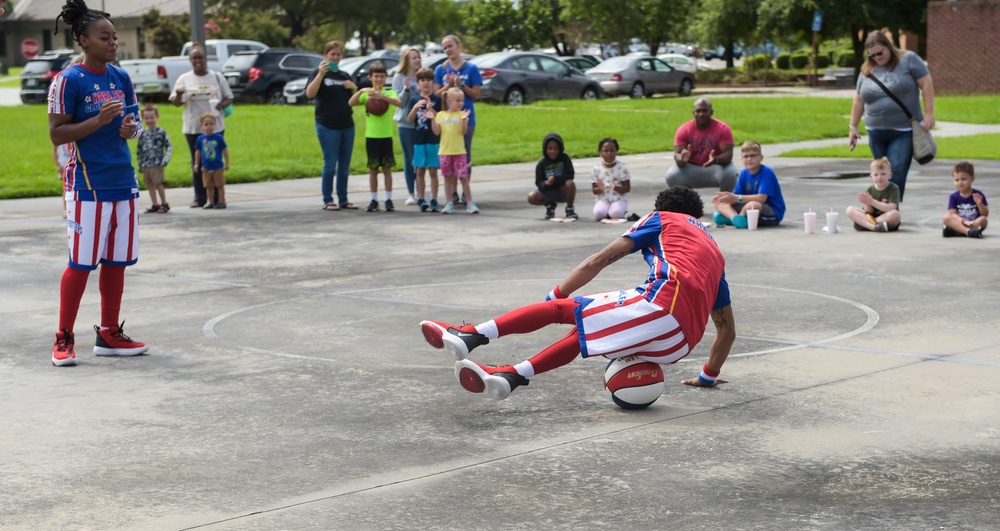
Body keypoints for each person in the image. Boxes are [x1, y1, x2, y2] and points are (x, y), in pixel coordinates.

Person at [419, 186, 735, 400]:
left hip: (662, 306)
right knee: (587, 327)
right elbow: (726, 331)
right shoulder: (715, 252)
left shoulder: (662, 219)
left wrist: (557, 295)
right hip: (680, 345)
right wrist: (707, 377)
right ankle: (509, 376)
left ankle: (470, 336)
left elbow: (598, 260)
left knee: (565, 310)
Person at [48, 0, 149, 366]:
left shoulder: (121, 78)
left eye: (115, 37)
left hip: (124, 182)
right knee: (81, 263)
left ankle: (109, 333)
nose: (113, 43)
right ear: (83, 40)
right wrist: (96, 121)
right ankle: (64, 336)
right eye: (104, 37)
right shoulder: (68, 81)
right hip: (88, 187)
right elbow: (57, 135)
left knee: (117, 261)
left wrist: (129, 129)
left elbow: (135, 125)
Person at [849, 31, 935, 202]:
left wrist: (929, 113)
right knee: (881, 174)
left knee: (896, 169)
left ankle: (891, 208)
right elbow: (858, 100)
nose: (876, 57)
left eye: (879, 53)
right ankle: (881, 208)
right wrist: (853, 127)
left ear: (888, 46)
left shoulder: (908, 60)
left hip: (903, 129)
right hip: (875, 130)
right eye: (871, 55)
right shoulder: (867, 69)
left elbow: (926, 84)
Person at [170, 43, 233, 208]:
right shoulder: (184, 79)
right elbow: (176, 103)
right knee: (198, 162)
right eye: (194, 58)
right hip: (193, 128)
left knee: (215, 160)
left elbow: (229, 97)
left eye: (201, 57)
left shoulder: (217, 77)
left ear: (206, 59)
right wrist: (178, 94)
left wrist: (221, 105)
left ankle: (219, 198)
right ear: (190, 60)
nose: (198, 61)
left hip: (215, 127)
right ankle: (200, 197)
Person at [307, 41, 358, 211]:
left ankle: (343, 199)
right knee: (330, 163)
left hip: (346, 124)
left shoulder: (345, 75)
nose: (335, 57)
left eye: (338, 55)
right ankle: (328, 199)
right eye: (332, 55)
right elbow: (310, 94)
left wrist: (354, 88)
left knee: (344, 164)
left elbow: (356, 101)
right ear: (325, 56)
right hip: (327, 124)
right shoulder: (318, 73)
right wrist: (320, 75)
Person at [434, 35, 482, 204]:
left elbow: (476, 94)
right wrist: (448, 86)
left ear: (458, 46)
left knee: (464, 154)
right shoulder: (441, 69)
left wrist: (461, 85)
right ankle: (452, 192)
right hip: (447, 120)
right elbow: (437, 94)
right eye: (445, 47)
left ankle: (465, 192)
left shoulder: (471, 68)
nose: (448, 50)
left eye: (450, 46)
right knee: (450, 154)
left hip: (465, 118)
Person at [348, 61, 400, 212]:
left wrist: (382, 97)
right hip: (371, 137)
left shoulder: (388, 93)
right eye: (376, 76)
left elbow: (398, 102)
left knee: (387, 169)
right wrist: (361, 91)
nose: (379, 79)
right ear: (370, 77)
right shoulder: (367, 94)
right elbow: (350, 102)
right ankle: (373, 199)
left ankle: (389, 199)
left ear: (385, 78)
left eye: (382, 76)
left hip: (386, 136)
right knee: (373, 170)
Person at [665, 98, 738, 192]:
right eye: (698, 111)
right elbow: (677, 154)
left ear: (711, 112)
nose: (701, 114)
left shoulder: (723, 128)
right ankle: (685, 202)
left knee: (731, 173)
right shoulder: (684, 129)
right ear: (693, 113)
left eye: (705, 111)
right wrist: (682, 160)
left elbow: (728, 155)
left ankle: (726, 203)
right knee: (672, 175)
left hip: (715, 167)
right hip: (691, 168)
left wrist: (715, 159)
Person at [711, 141, 785, 229]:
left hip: (770, 211)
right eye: (746, 156)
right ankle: (735, 218)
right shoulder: (743, 173)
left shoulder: (766, 172)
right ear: (742, 159)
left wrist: (736, 198)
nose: (749, 159)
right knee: (719, 203)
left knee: (752, 205)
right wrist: (726, 198)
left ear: (761, 158)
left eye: (753, 156)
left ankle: (736, 217)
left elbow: (762, 198)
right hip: (747, 207)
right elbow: (736, 197)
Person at [433, 87, 477, 214]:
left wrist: (464, 120)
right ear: (449, 101)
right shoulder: (441, 115)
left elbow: (463, 132)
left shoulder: (462, 115)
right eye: (457, 100)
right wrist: (432, 119)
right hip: (445, 152)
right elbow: (436, 132)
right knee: (447, 178)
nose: (460, 103)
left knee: (463, 178)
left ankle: (470, 202)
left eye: (462, 100)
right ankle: (449, 202)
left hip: (459, 152)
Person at [406, 67, 442, 213]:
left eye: (428, 80)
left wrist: (431, 109)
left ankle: (434, 198)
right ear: (418, 83)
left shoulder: (437, 100)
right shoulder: (414, 99)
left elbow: (440, 118)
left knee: (433, 171)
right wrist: (415, 108)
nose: (426, 83)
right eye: (422, 80)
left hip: (432, 139)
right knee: (420, 170)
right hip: (419, 140)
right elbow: (409, 120)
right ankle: (421, 198)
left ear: (432, 82)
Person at [393, 46, 422, 206]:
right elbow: (399, 102)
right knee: (409, 158)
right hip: (405, 123)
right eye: (413, 58)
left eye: (418, 57)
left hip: (421, 123)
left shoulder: (423, 76)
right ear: (407, 61)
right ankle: (411, 193)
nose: (417, 60)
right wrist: (406, 89)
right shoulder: (399, 77)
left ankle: (421, 192)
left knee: (421, 159)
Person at [528, 132, 577, 220]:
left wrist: (556, 179)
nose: (553, 152)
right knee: (531, 197)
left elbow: (570, 175)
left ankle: (570, 209)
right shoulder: (542, 164)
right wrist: (546, 183)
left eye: (556, 149)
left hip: (563, 190)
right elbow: (538, 182)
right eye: (550, 149)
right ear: (545, 149)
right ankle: (550, 205)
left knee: (570, 183)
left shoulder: (564, 159)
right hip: (549, 191)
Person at [845, 157, 901, 233]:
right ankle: (874, 227)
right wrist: (867, 203)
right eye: (876, 174)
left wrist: (872, 201)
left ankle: (864, 224)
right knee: (850, 210)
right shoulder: (870, 189)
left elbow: (891, 208)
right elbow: (869, 211)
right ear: (871, 176)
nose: (879, 177)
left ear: (890, 175)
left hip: (885, 218)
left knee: (895, 214)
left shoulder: (893, 188)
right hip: (872, 216)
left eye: (883, 174)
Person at [136, 103, 173, 213]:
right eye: (147, 118)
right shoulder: (143, 133)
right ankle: (155, 204)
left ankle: (164, 203)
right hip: (146, 164)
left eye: (152, 117)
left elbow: (169, 146)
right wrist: (140, 164)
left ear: (157, 117)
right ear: (143, 118)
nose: (150, 120)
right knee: (150, 184)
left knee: (158, 183)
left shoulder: (161, 132)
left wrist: (166, 159)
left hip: (158, 163)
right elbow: (139, 150)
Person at [942, 161, 988, 238]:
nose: (960, 182)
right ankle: (968, 232)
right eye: (957, 180)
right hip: (959, 221)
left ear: (972, 179)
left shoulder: (978, 194)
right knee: (946, 217)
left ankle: (957, 231)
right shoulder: (953, 196)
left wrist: (979, 204)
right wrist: (961, 220)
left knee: (983, 220)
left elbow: (985, 214)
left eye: (964, 179)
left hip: (974, 223)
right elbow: (953, 213)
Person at [193, 112, 230, 209]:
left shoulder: (218, 138)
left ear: (215, 125)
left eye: (211, 124)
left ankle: (221, 201)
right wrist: (197, 164)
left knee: (219, 185)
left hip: (217, 166)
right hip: (206, 167)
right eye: (206, 124)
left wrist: (227, 162)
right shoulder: (200, 139)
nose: (209, 127)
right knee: (208, 186)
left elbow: (224, 150)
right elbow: (198, 152)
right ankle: (211, 201)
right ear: (201, 126)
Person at [590, 137, 631, 221]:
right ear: (600, 153)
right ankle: (606, 211)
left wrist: (616, 188)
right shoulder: (596, 169)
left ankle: (619, 210)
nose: (609, 153)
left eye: (612, 151)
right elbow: (594, 190)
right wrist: (600, 189)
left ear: (616, 152)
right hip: (603, 199)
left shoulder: (622, 168)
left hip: (618, 198)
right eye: (605, 151)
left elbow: (627, 188)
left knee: (616, 214)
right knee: (598, 214)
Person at [53, 142, 71, 215]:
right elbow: (54, 150)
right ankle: (66, 209)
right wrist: (57, 165)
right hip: (63, 164)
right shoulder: (60, 136)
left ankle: (70, 208)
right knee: (65, 187)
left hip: (73, 163)